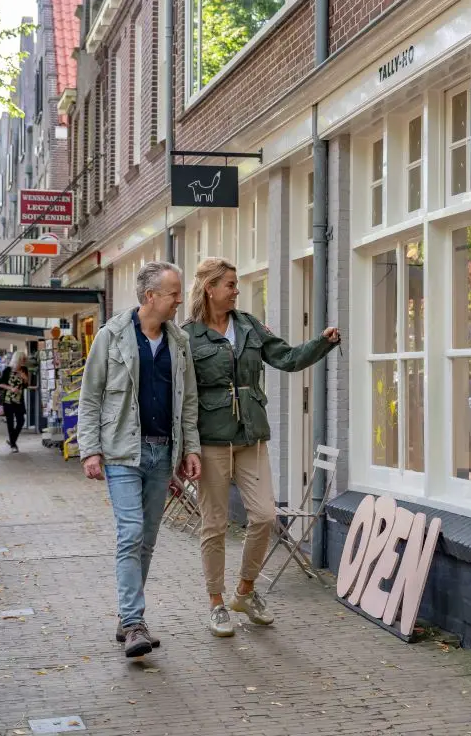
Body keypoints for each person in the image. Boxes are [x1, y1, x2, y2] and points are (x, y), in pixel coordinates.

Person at [183, 257, 340, 637]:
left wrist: (322, 343)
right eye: (231, 285)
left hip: (251, 436)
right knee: (215, 525)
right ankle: (217, 603)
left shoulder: (249, 325)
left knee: (265, 516)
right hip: (211, 440)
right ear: (211, 288)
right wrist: (185, 447)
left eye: (236, 285)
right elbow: (183, 396)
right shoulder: (188, 336)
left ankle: (245, 591)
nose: (237, 291)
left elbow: (285, 357)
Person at [77, 262, 202, 659]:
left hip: (162, 451)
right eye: (173, 293)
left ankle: (127, 615)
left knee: (146, 540)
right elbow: (91, 394)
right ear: (151, 296)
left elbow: (188, 401)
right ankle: (134, 623)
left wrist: (191, 448)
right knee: (130, 533)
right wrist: (90, 449)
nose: (180, 300)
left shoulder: (178, 342)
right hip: (120, 450)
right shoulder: (111, 336)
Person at [0, 353, 32, 453]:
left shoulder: (24, 370)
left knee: (21, 420)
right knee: (10, 422)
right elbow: (0, 384)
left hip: (19, 400)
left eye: (24, 360)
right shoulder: (7, 370)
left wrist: (25, 377)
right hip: (8, 400)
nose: (23, 362)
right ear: (17, 360)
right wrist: (11, 388)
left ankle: (12, 439)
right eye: (22, 360)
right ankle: (13, 445)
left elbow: (27, 385)